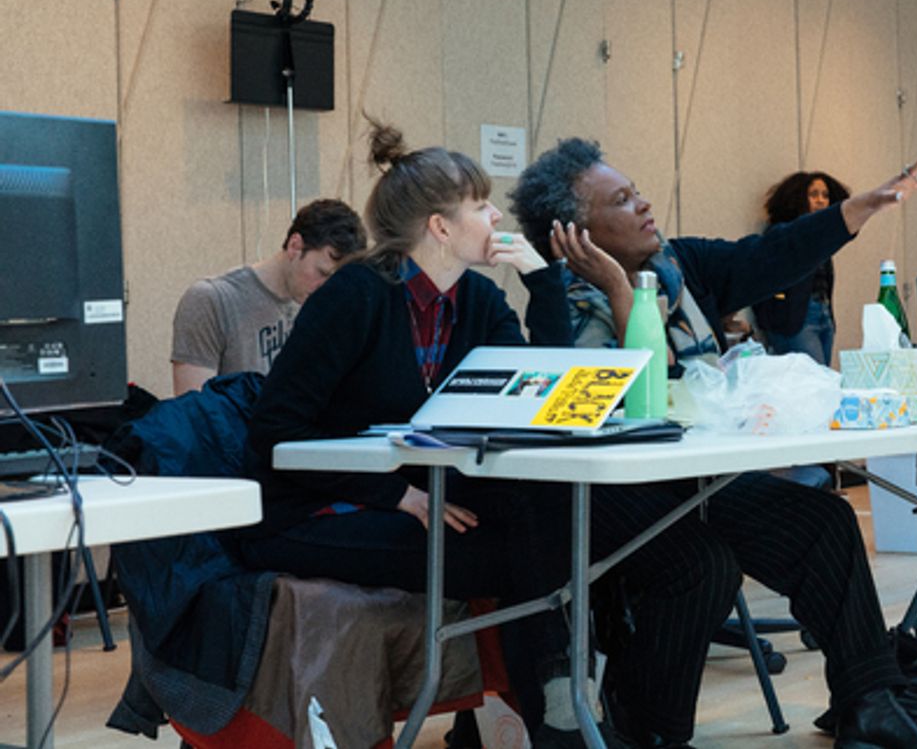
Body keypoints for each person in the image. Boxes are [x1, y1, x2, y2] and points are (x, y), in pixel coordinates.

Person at [238, 122, 687, 748]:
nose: (495, 216)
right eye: (480, 204)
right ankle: (560, 716)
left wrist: (541, 282)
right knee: (533, 549)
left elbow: (548, 398)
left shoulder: (473, 298)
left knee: (547, 514)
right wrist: (395, 495)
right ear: (439, 227)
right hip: (318, 508)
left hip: (425, 498)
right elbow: (275, 432)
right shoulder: (356, 296)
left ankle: (559, 714)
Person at [510, 136, 917, 749]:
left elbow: (769, 254)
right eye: (621, 199)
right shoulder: (556, 302)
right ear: (575, 234)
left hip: (693, 480)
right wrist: (619, 291)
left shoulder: (678, 265)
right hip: (607, 495)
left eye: (636, 190)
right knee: (701, 566)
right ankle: (652, 732)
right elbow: (630, 400)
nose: (643, 204)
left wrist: (863, 207)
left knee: (824, 521)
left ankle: (868, 707)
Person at [170, 198, 366, 394]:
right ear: (295, 246)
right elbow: (194, 414)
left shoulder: (320, 306)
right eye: (322, 273)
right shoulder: (211, 300)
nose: (326, 288)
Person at [752, 170, 851, 366]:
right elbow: (762, 279)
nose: (821, 201)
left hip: (823, 313)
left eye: (825, 195)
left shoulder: (822, 238)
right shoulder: (783, 233)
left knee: (823, 379)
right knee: (811, 382)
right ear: (798, 198)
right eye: (814, 195)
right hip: (796, 318)